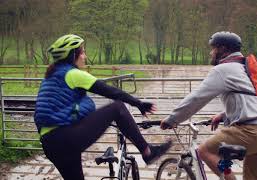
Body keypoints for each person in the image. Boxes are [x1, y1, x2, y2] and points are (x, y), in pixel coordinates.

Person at [34, 34, 172, 180]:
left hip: (49, 143)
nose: (85, 56)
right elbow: (110, 91)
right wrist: (138, 103)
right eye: (82, 52)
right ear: (73, 54)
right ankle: (147, 152)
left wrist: (78, 112)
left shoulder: (50, 77)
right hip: (66, 138)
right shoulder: (72, 74)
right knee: (117, 108)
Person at [160, 31, 257, 180]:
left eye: (213, 48)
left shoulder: (222, 69)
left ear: (223, 49)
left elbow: (197, 98)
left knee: (204, 151)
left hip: (253, 130)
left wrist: (172, 119)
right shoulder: (244, 67)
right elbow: (248, 100)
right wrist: (223, 115)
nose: (211, 53)